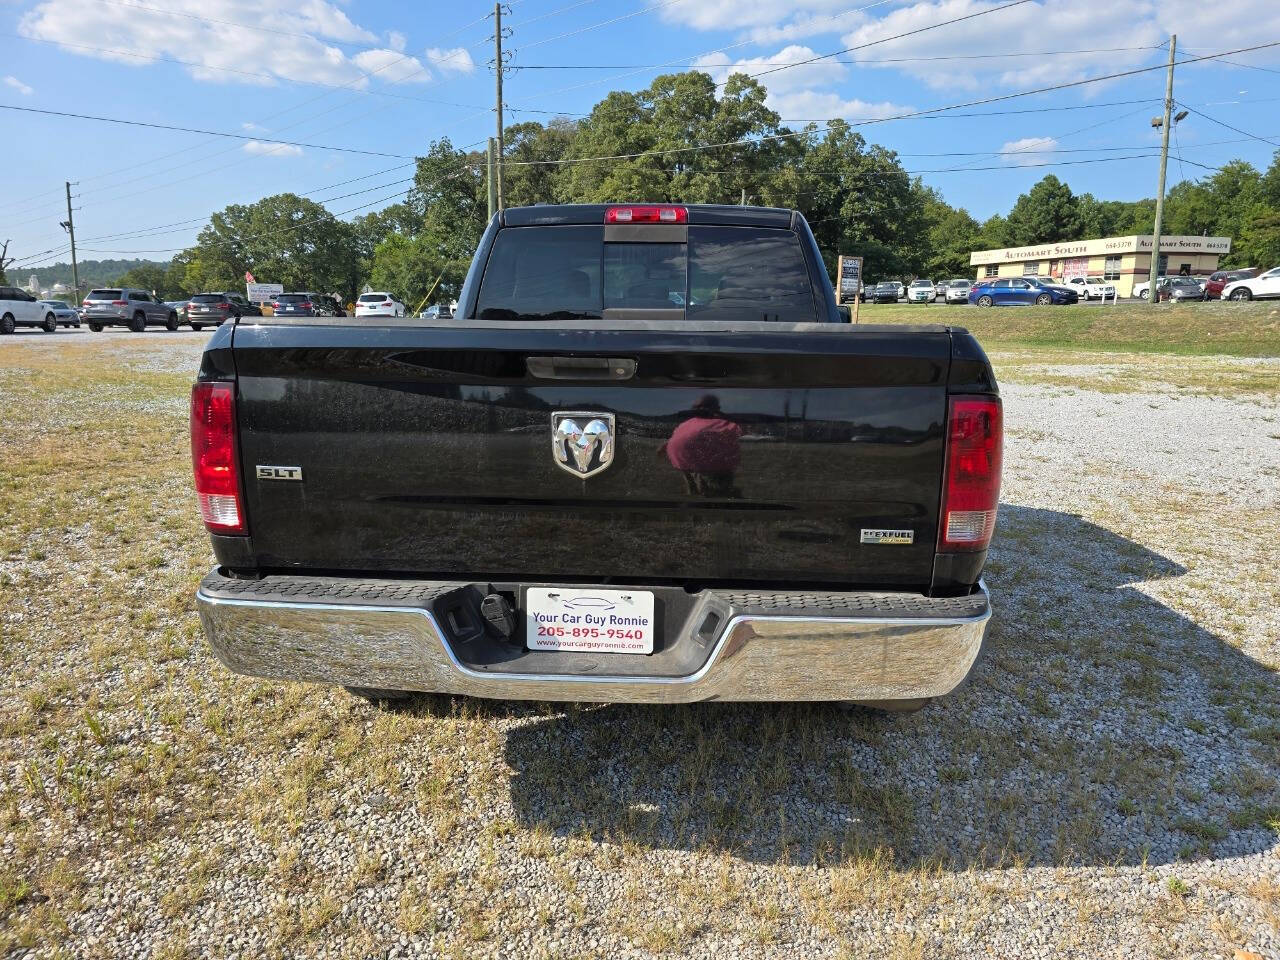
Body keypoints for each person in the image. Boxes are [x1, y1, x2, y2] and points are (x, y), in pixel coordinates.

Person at [660, 395, 742, 498]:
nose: (700, 409)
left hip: (710, 469)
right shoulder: (689, 422)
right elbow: (682, 435)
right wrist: (667, 445)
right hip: (687, 467)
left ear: (717, 408)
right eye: (696, 407)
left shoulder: (724, 422)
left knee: (714, 495)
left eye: (704, 406)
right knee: (695, 494)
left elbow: (740, 431)